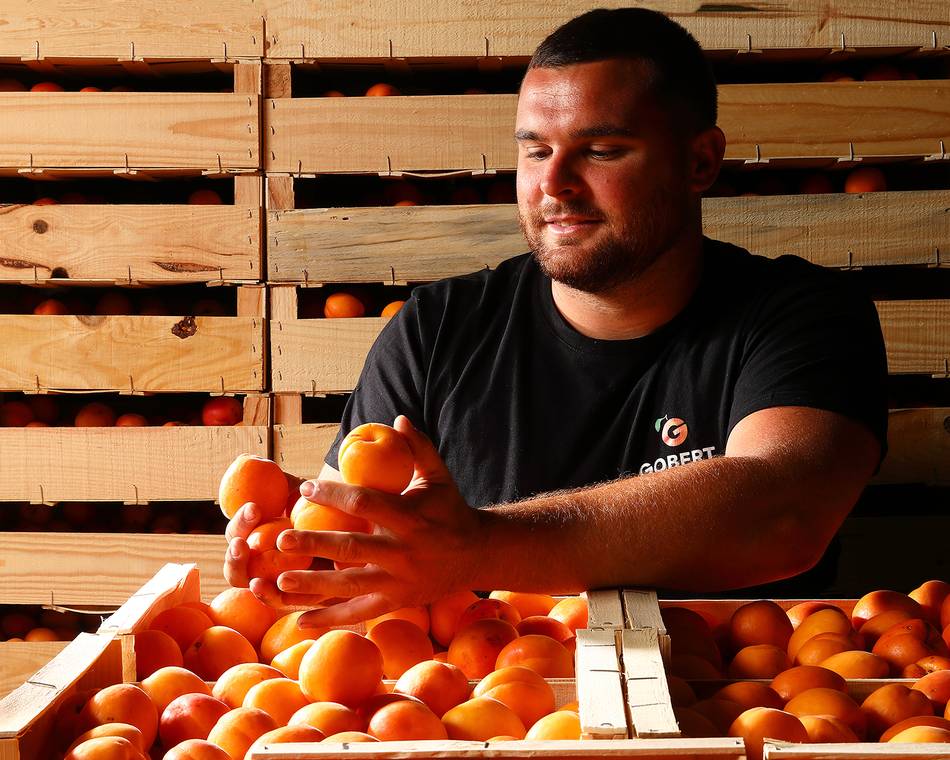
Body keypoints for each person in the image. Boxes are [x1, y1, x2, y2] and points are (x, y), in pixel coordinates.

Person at [225, 8, 887, 628]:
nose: (555, 184)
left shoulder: (803, 315)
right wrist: (298, 547)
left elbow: (782, 514)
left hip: (737, 716)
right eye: (536, 152)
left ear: (699, 161)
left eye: (600, 150)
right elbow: (362, 551)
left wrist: (480, 546)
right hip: (486, 720)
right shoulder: (436, 330)